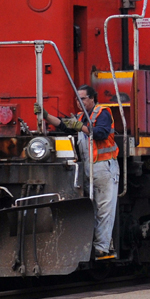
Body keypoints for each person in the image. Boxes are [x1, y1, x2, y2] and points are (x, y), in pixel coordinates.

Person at [40, 85, 118, 259]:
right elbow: (64, 125)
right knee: (93, 208)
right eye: (77, 99)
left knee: (104, 208)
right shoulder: (82, 116)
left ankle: (102, 249)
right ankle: (97, 244)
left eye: (82, 98)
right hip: (90, 167)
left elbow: (101, 134)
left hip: (104, 167)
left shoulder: (102, 112)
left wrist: (79, 126)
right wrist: (45, 116)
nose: (79, 102)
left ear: (92, 98)